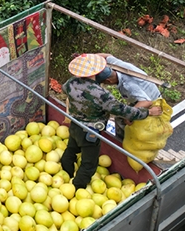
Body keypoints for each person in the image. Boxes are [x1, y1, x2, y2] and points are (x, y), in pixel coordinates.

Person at [60, 54, 162, 189]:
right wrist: (148, 112)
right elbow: (123, 110)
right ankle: (76, 188)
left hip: (75, 125)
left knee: (71, 150)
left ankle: (65, 173)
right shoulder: (101, 95)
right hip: (90, 132)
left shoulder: (70, 83)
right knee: (89, 164)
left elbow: (63, 89)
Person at [94, 53, 162, 140]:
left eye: (104, 83)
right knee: (122, 115)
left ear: (109, 81)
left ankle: (122, 144)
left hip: (152, 102)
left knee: (121, 119)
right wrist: (88, 57)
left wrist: (128, 115)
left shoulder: (128, 85)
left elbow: (147, 102)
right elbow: (106, 56)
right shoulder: (116, 65)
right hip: (142, 96)